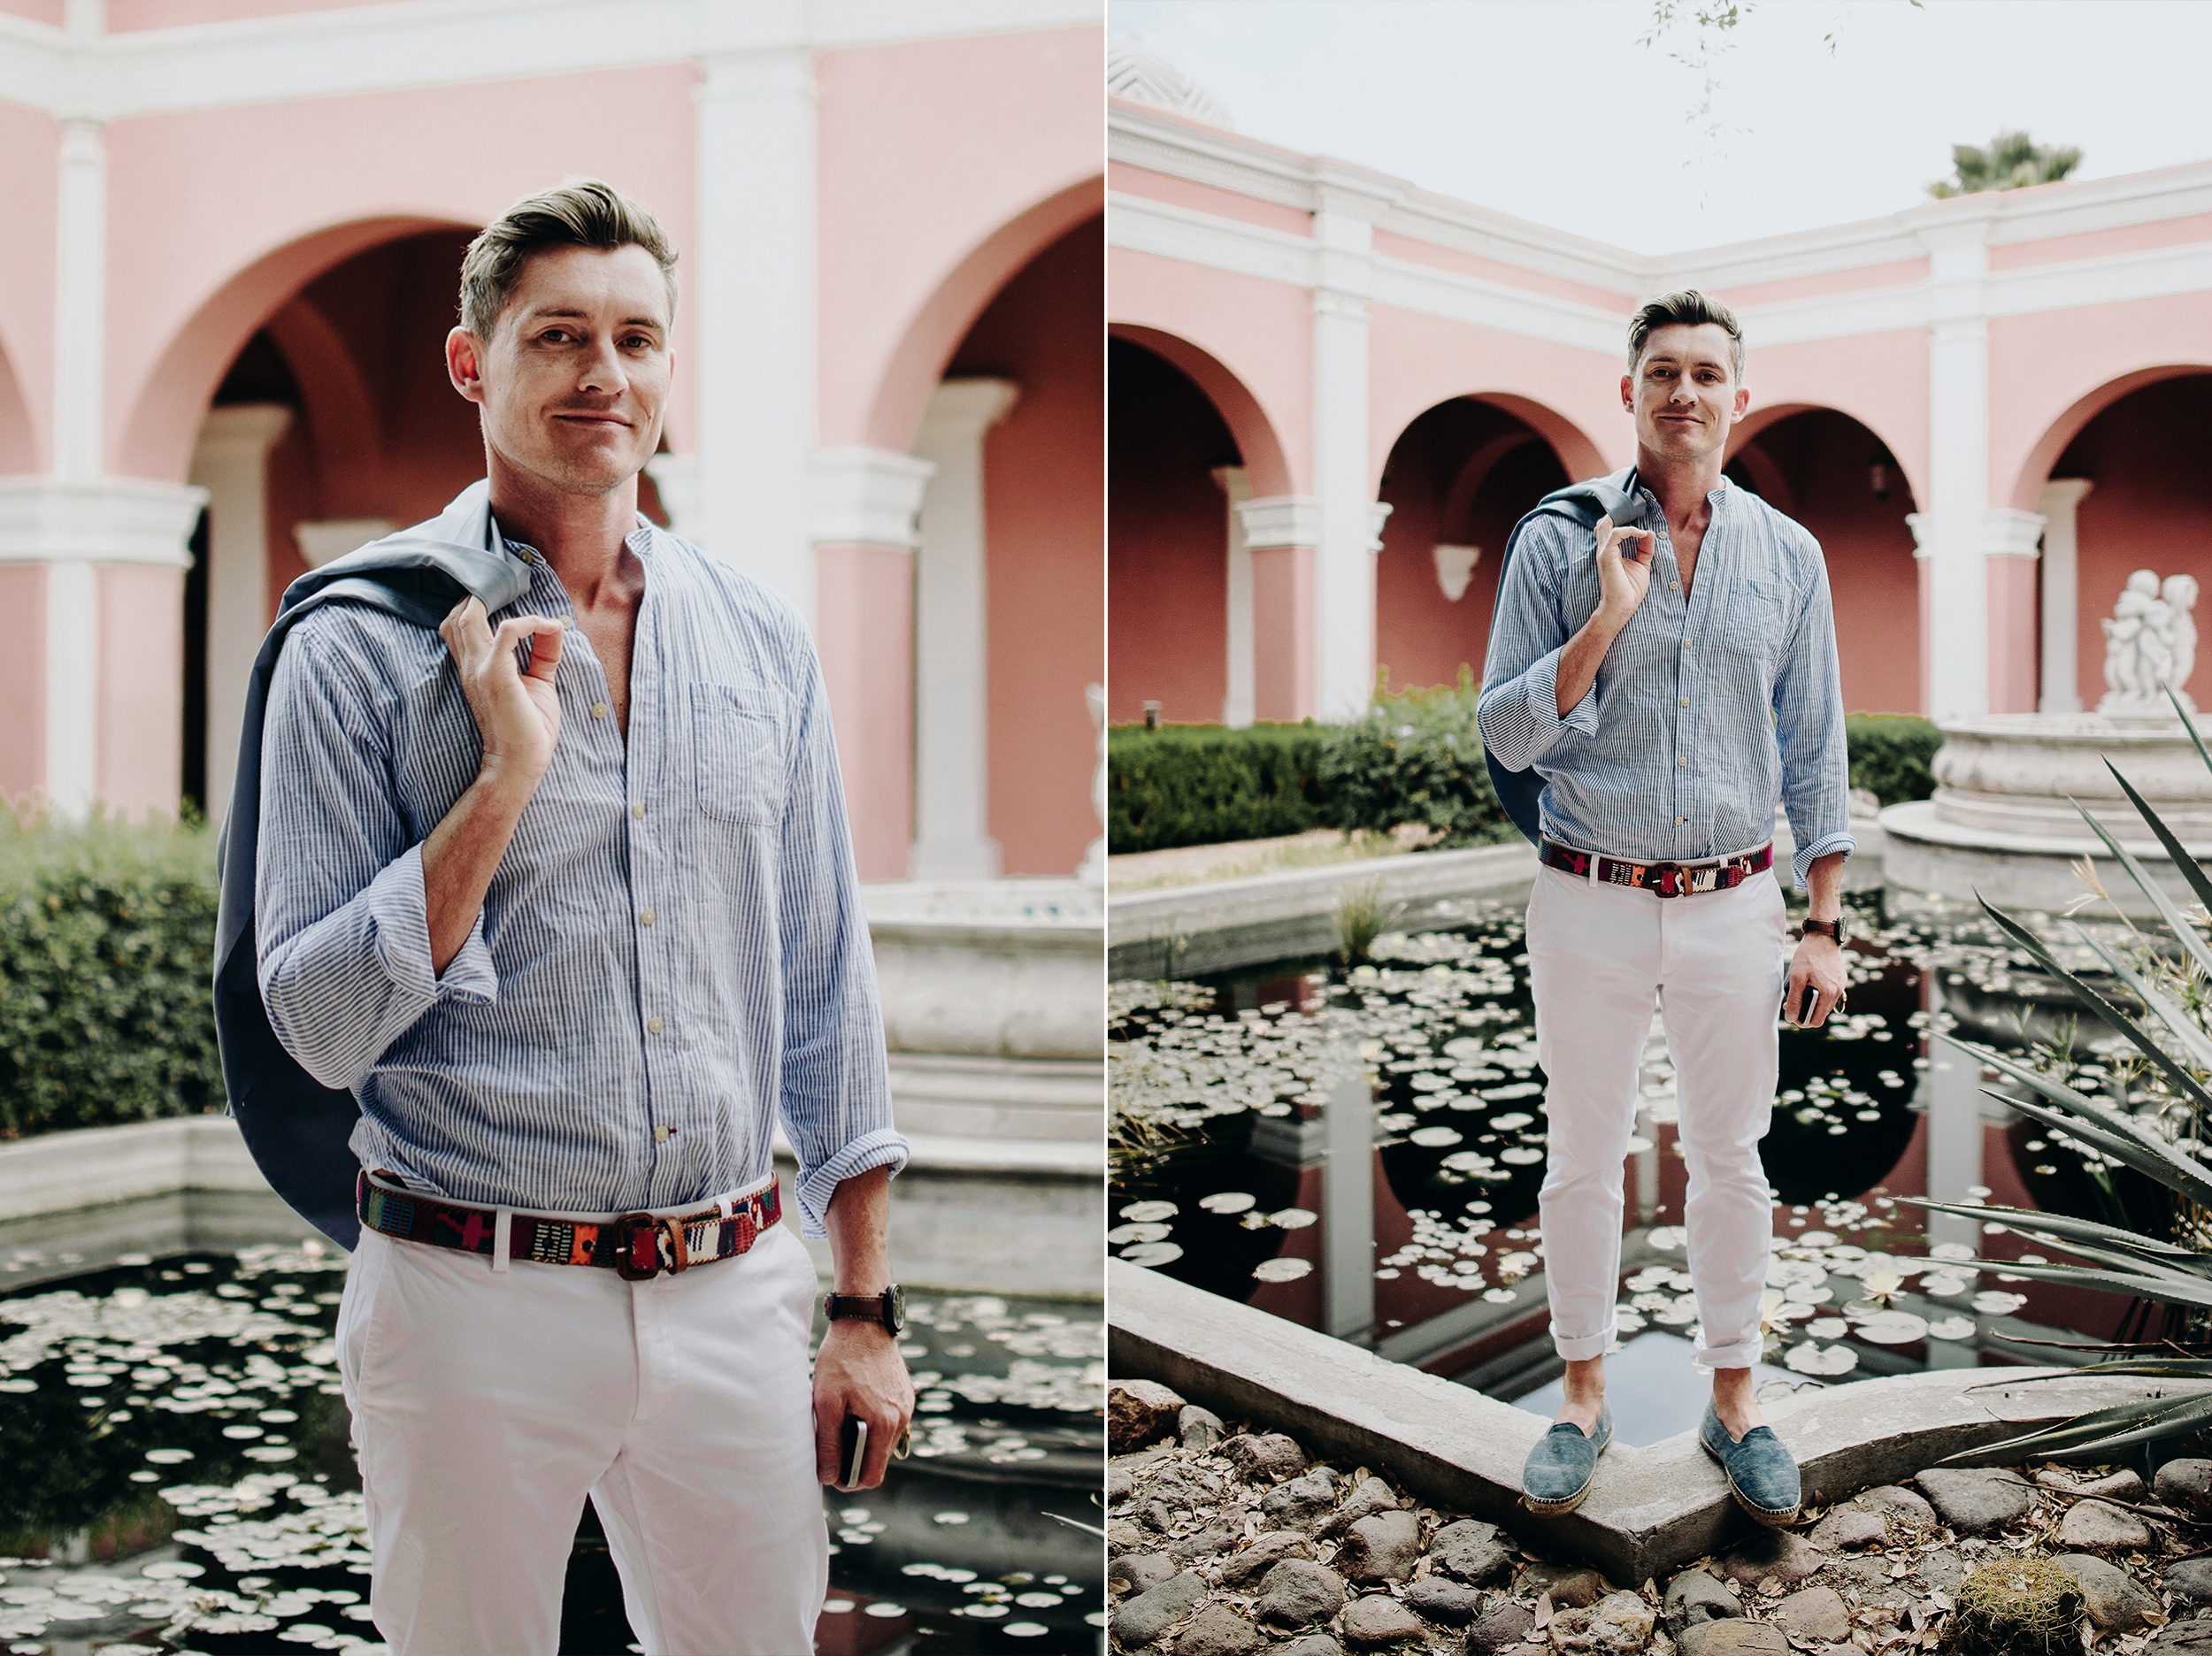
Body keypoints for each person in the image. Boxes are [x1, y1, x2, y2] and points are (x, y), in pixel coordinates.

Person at [252, 179, 915, 1653]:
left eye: (636, 337)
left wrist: (862, 1306)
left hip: (734, 1288)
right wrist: (502, 786)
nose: (603, 374)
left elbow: (825, 981)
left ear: (671, 369)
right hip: (468, 1292)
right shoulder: (356, 645)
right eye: (558, 336)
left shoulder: (760, 640)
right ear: (472, 362)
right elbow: (313, 1024)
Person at [1476, 289, 1853, 1527]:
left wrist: (1824, 920)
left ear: (1739, 396)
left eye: (1705, 373)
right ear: (1627, 393)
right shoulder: (1556, 541)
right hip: (1586, 894)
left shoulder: (1789, 558)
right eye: (1660, 373)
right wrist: (1606, 618)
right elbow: (1507, 732)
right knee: (1583, 1154)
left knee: (1732, 1157)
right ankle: (1581, 1395)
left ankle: (1735, 1401)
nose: (1682, 392)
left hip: (1735, 903)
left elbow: (1817, 751)